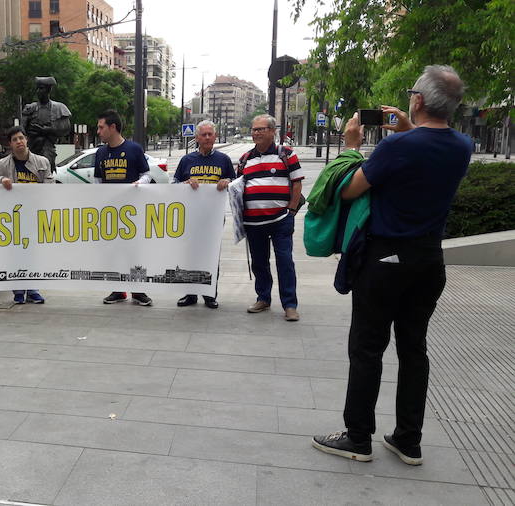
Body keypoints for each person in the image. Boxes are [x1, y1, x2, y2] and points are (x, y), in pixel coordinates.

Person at [313, 65, 472, 466]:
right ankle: (408, 439)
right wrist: (408, 128)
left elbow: (349, 189)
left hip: (385, 259)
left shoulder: (397, 146)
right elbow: (428, 148)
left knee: (367, 347)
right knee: (414, 348)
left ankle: (358, 437)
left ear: (417, 100)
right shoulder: (462, 145)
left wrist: (351, 146)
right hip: (429, 260)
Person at [238, 114, 304, 322]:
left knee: (285, 262)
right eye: (254, 129)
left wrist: (291, 210)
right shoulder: (245, 158)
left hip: (280, 221)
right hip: (253, 222)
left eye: (261, 129)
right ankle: (263, 298)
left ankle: (290, 305)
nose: (256, 133)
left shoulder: (287, 154)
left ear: (273, 131)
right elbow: (238, 187)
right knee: (259, 263)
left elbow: (297, 183)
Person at [172, 120, 235, 309]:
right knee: (190, 256)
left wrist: (228, 181)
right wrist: (184, 185)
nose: (207, 137)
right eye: (203, 134)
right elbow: (173, 184)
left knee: (211, 255)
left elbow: (236, 183)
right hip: (190, 217)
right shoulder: (186, 160)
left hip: (213, 218)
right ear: (197, 138)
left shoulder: (224, 160)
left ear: (215, 137)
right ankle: (190, 294)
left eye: (210, 134)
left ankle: (210, 294)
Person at [93, 109, 153, 307]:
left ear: (113, 127)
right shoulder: (100, 153)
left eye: (101, 127)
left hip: (132, 212)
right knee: (113, 251)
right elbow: (98, 181)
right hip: (110, 213)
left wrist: (139, 183)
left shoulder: (134, 149)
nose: (98, 131)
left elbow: (147, 174)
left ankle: (138, 290)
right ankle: (118, 290)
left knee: (134, 252)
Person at [0, 125, 51, 304]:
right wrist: (1, 180)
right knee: (15, 254)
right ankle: (18, 289)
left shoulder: (42, 162)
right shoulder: (3, 164)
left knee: (33, 253)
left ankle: (32, 289)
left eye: (21, 138)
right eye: (14, 139)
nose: (18, 142)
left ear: (27, 140)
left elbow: (50, 187)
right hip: (13, 217)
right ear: (10, 144)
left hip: (35, 215)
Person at [22, 76, 72, 169]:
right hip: (31, 148)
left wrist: (47, 130)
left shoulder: (59, 108)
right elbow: (22, 129)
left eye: (41, 88)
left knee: (46, 169)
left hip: (47, 148)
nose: (38, 91)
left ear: (48, 90)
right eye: (37, 88)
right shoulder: (30, 108)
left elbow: (66, 128)